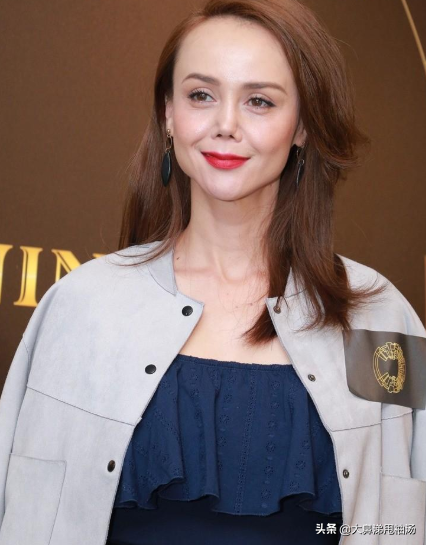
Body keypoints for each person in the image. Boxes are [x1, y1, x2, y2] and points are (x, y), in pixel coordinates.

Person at [1, 0, 426, 544]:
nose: (226, 126)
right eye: (201, 95)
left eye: (259, 101)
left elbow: (402, 516)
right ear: (168, 114)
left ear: (301, 126)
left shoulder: (377, 317)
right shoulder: (79, 306)